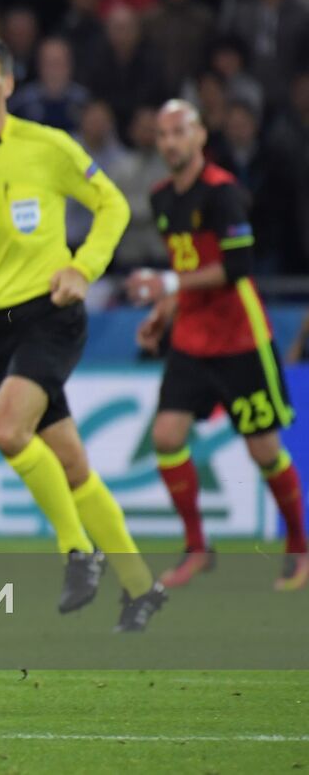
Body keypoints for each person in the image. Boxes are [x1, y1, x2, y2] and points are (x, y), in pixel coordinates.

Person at [0, 32, 165, 632]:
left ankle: (78, 551)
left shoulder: (48, 146)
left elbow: (114, 206)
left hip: (50, 316)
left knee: (6, 430)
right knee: (71, 463)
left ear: (7, 83)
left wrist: (83, 268)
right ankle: (141, 587)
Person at [125, 99, 306, 591]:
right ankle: (197, 548)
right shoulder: (162, 198)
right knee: (165, 437)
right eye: (163, 134)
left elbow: (236, 269)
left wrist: (166, 287)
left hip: (240, 339)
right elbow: (187, 272)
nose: (170, 142)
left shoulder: (225, 194)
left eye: (180, 132)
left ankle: (299, 547)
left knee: (264, 450)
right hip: (191, 339)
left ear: (201, 136)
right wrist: (163, 315)